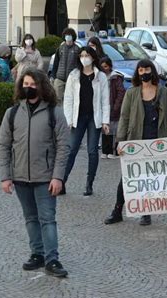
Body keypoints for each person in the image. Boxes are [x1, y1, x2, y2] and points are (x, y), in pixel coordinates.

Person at [0, 68, 70, 278]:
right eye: (25, 84)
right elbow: (3, 145)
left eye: (32, 84)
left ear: (41, 86)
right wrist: (5, 176)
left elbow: (64, 146)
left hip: (45, 177)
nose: (28, 88)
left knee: (47, 219)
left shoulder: (54, 112)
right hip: (20, 177)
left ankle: (52, 259)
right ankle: (36, 254)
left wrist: (58, 177)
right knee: (30, 218)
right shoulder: (12, 113)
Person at [104, 59, 167, 226]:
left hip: (157, 141)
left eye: (147, 69)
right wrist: (120, 142)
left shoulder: (164, 92)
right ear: (138, 73)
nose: (144, 73)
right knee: (128, 178)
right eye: (141, 70)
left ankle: (147, 212)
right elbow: (124, 118)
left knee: (151, 178)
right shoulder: (132, 93)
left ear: (153, 71)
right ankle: (117, 210)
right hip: (135, 141)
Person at [62, 47, 110, 196]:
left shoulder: (100, 76)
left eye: (87, 55)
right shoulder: (74, 75)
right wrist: (68, 119)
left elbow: (105, 100)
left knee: (92, 151)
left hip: (94, 117)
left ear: (93, 57)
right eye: (82, 55)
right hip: (78, 117)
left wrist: (105, 121)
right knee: (71, 150)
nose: (84, 58)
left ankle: (89, 184)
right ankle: (62, 181)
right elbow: (68, 99)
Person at [100, 56, 126, 159]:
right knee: (105, 130)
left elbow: (121, 92)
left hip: (114, 107)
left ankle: (113, 151)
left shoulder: (116, 77)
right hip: (103, 107)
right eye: (102, 67)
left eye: (106, 66)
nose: (104, 69)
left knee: (115, 130)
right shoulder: (99, 76)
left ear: (110, 66)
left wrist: (116, 106)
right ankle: (105, 150)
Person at [51, 27, 80, 105]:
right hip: (59, 78)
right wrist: (53, 76)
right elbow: (56, 63)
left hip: (71, 79)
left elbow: (79, 65)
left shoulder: (77, 49)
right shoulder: (60, 48)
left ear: (73, 37)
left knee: (70, 100)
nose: (68, 37)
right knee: (57, 100)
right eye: (67, 35)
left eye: (70, 35)